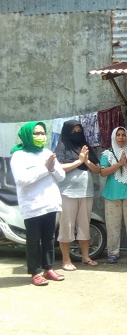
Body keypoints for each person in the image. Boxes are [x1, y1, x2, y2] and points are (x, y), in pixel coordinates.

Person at [10, 122, 66, 285]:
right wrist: (45, 169)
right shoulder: (19, 156)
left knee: (49, 238)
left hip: (51, 202)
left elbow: (61, 176)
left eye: (42, 133)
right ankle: (35, 272)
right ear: (27, 135)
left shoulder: (47, 152)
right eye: (36, 133)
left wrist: (52, 168)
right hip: (33, 205)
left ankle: (48, 268)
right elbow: (21, 179)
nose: (40, 136)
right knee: (34, 240)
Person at [54, 120, 101, 270]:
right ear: (67, 132)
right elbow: (60, 168)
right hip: (67, 193)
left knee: (84, 225)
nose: (77, 133)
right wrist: (79, 161)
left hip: (86, 192)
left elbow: (97, 169)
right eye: (73, 131)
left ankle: (85, 257)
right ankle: (66, 260)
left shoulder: (85, 146)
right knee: (67, 226)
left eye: (79, 130)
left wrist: (86, 161)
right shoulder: (62, 147)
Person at [100, 127, 127, 264]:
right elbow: (103, 172)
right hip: (112, 194)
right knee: (112, 225)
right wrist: (119, 164)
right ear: (114, 137)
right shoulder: (107, 154)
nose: (121, 137)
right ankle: (113, 252)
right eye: (118, 135)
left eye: (123, 135)